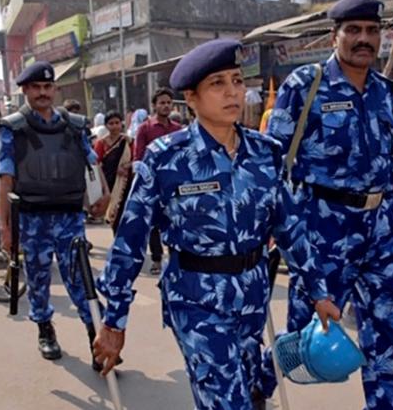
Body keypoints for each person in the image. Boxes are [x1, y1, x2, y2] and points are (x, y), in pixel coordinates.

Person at [93, 39, 337, 409]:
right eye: (217, 83)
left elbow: (290, 228)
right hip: (196, 299)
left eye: (237, 81)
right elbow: (130, 242)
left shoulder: (265, 153)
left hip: (252, 295)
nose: (232, 92)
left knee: (244, 392)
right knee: (228, 401)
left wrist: (319, 291)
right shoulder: (166, 159)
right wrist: (113, 321)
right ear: (191, 98)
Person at [265, 0, 393, 409]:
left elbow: (385, 161)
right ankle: (259, 386)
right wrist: (283, 228)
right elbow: (274, 165)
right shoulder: (304, 86)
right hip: (323, 232)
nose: (363, 39)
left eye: (371, 31)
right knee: (303, 332)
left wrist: (392, 218)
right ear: (336, 35)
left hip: (379, 232)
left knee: (391, 332)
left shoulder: (386, 91)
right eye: (354, 31)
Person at [0, 61, 109, 369]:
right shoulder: (12, 128)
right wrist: (6, 228)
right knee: (39, 278)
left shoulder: (74, 125)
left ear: (55, 89)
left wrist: (104, 195)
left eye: (48, 87)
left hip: (70, 216)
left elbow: (92, 163)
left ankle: (96, 337)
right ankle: (45, 329)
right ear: (26, 90)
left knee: (81, 279)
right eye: (36, 87)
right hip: (33, 219)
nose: (43, 92)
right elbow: (5, 180)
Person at [134, 88, 183, 275]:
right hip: (153, 182)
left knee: (175, 220)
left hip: (174, 183)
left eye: (169, 102)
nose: (166, 106)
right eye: (162, 102)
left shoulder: (178, 130)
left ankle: (175, 257)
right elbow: (138, 157)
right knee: (154, 223)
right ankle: (156, 258)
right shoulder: (145, 128)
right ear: (154, 105)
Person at [93, 111, 133, 234]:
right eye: (111, 123)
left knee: (124, 212)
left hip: (125, 182)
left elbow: (136, 158)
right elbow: (96, 162)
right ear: (106, 126)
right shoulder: (101, 143)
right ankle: (117, 239)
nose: (115, 126)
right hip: (108, 182)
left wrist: (127, 165)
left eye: (117, 123)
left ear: (121, 124)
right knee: (112, 214)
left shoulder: (127, 141)